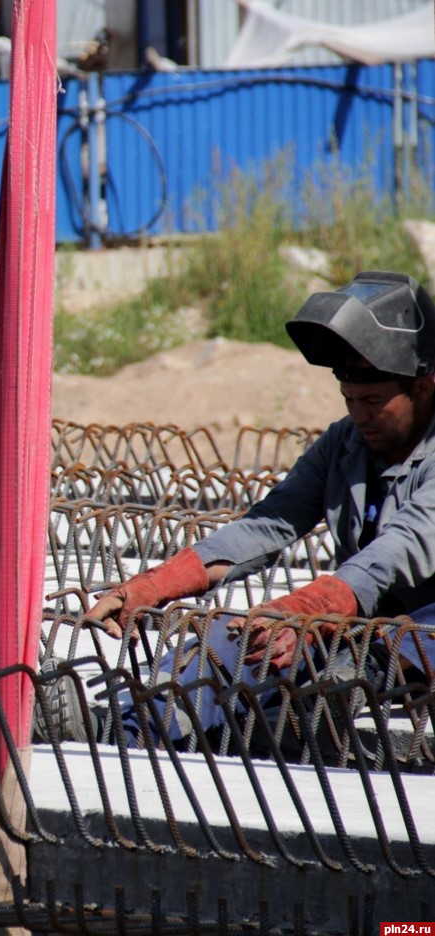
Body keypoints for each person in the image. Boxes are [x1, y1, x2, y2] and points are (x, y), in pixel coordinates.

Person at [77, 271, 435, 756]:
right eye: (349, 400)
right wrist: (160, 584)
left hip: (416, 631)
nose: (359, 415)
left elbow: (401, 546)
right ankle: (128, 730)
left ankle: (336, 689)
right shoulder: (345, 443)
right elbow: (268, 526)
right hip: (364, 616)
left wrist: (309, 609)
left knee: (371, 650)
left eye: (373, 401)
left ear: (424, 386)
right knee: (234, 642)